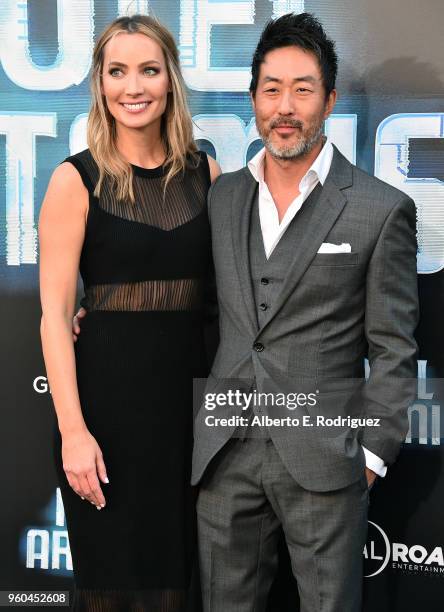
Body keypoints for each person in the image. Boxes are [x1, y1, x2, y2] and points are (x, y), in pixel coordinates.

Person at [192, 12, 418, 612]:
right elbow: (201, 308)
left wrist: (369, 457)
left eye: (302, 89)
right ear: (253, 99)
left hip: (326, 464)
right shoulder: (221, 197)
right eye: (271, 89)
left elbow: (394, 347)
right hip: (225, 455)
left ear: (329, 99)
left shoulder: (380, 208)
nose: (285, 106)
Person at [39, 14, 220, 612]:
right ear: (100, 82)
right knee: (113, 589)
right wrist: (73, 433)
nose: (133, 86)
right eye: (117, 71)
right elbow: (54, 317)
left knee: (182, 588)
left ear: (169, 79)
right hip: (107, 422)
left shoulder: (207, 174)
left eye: (148, 69)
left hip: (190, 425)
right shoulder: (75, 181)